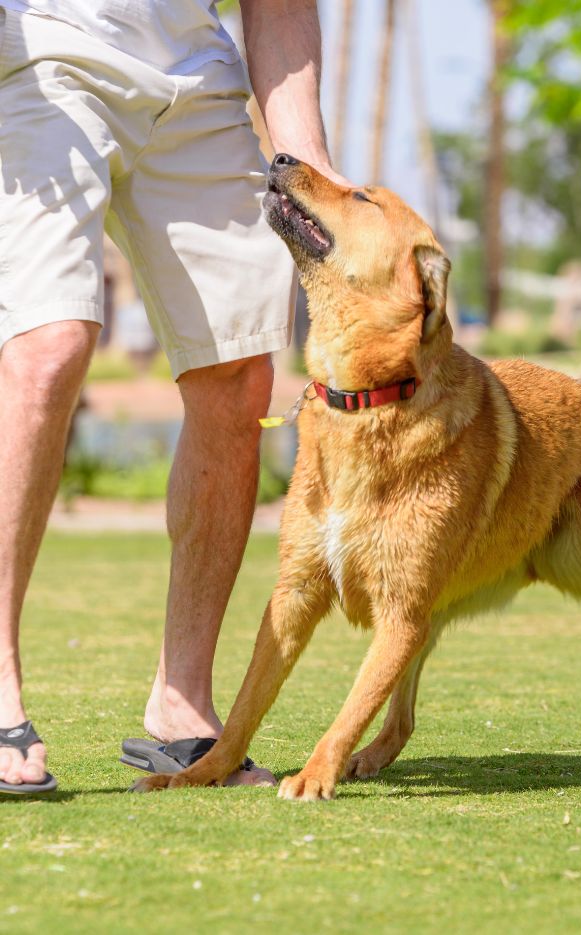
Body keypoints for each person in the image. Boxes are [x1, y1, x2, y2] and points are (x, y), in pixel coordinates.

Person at [0, 0, 347, 794]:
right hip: (43, 46)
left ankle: (181, 706)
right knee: (51, 344)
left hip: (194, 68)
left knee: (239, 374)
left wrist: (307, 164)